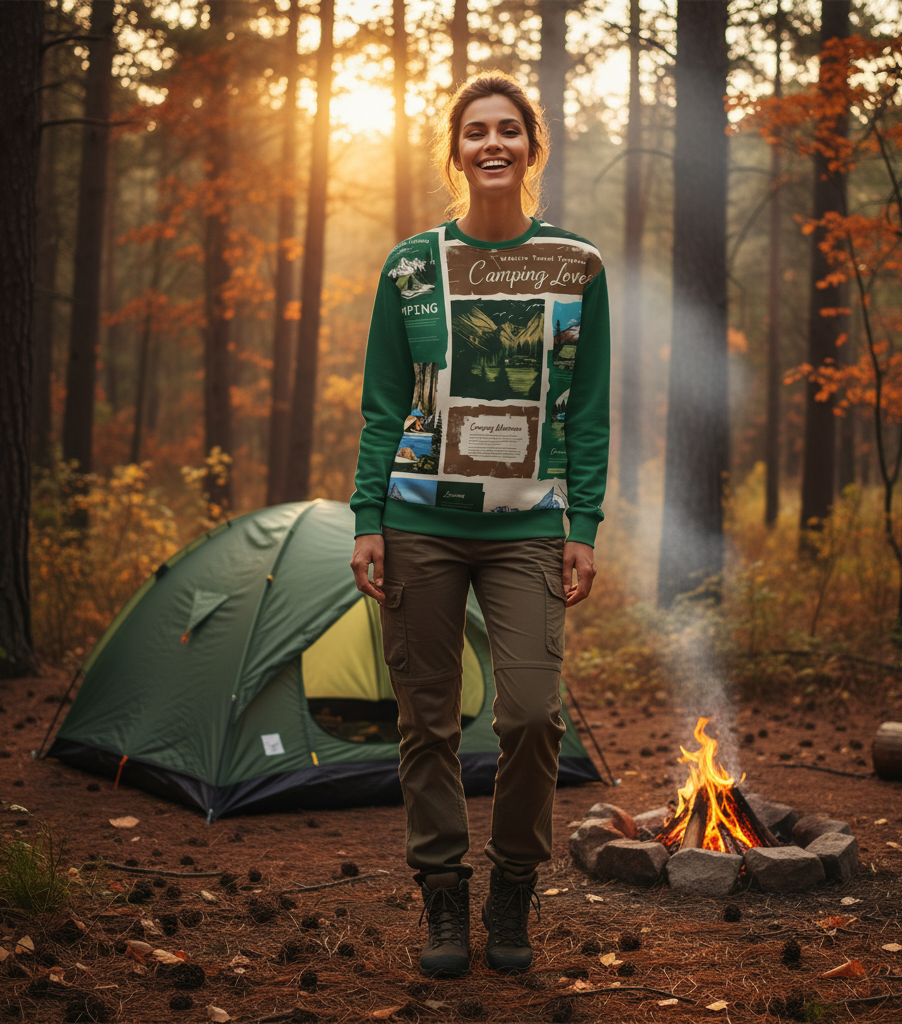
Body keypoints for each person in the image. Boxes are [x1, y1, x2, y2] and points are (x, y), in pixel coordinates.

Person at [349, 70, 610, 977]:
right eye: (474, 132)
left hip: (530, 526)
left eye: (508, 130)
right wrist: (366, 516)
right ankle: (444, 902)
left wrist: (585, 524)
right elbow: (384, 405)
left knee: (534, 716)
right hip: (418, 520)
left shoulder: (578, 267)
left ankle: (512, 890)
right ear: (455, 152)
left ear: (531, 148)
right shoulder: (411, 266)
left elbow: (588, 410)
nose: (491, 144)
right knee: (425, 720)